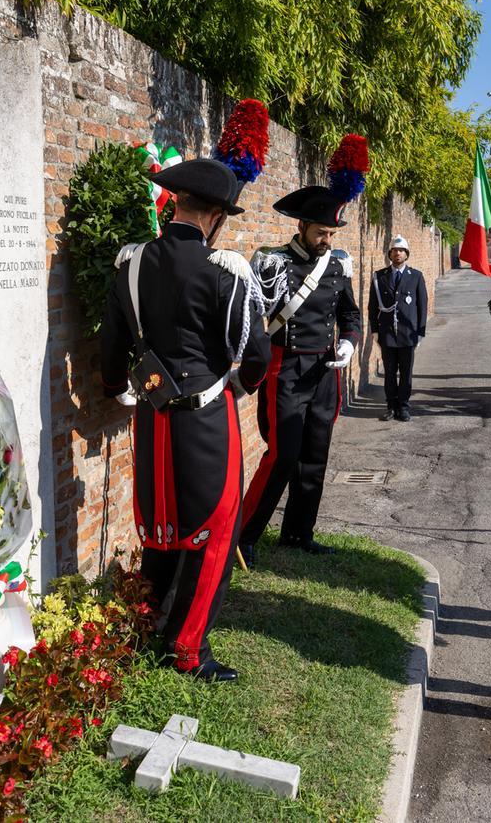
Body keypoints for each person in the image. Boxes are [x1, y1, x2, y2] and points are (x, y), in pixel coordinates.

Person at [101, 159, 273, 682]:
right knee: (215, 532)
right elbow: (258, 356)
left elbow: (110, 353)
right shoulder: (226, 271)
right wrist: (237, 386)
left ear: (174, 202)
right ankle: (188, 650)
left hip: (152, 419)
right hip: (207, 421)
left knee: (161, 529)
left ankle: (143, 627)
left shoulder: (129, 264)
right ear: (216, 215)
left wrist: (119, 392)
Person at [239, 185, 362, 563]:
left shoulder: (338, 265)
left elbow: (350, 315)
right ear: (303, 226)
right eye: (320, 233)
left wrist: (348, 344)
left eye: (331, 234)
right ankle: (243, 535)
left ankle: (297, 531)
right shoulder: (273, 263)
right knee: (282, 455)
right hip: (287, 370)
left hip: (325, 371)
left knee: (315, 456)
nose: (326, 240)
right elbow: (252, 320)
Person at [370, 235, 428, 421]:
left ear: (406, 254)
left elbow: (422, 305)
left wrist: (420, 332)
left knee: (406, 373)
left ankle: (403, 406)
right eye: (395, 250)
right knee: (389, 373)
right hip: (387, 333)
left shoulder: (416, 276)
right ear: (390, 254)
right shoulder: (379, 277)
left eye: (401, 251)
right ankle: (390, 406)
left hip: (407, 334)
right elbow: (372, 305)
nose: (398, 254)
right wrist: (375, 330)